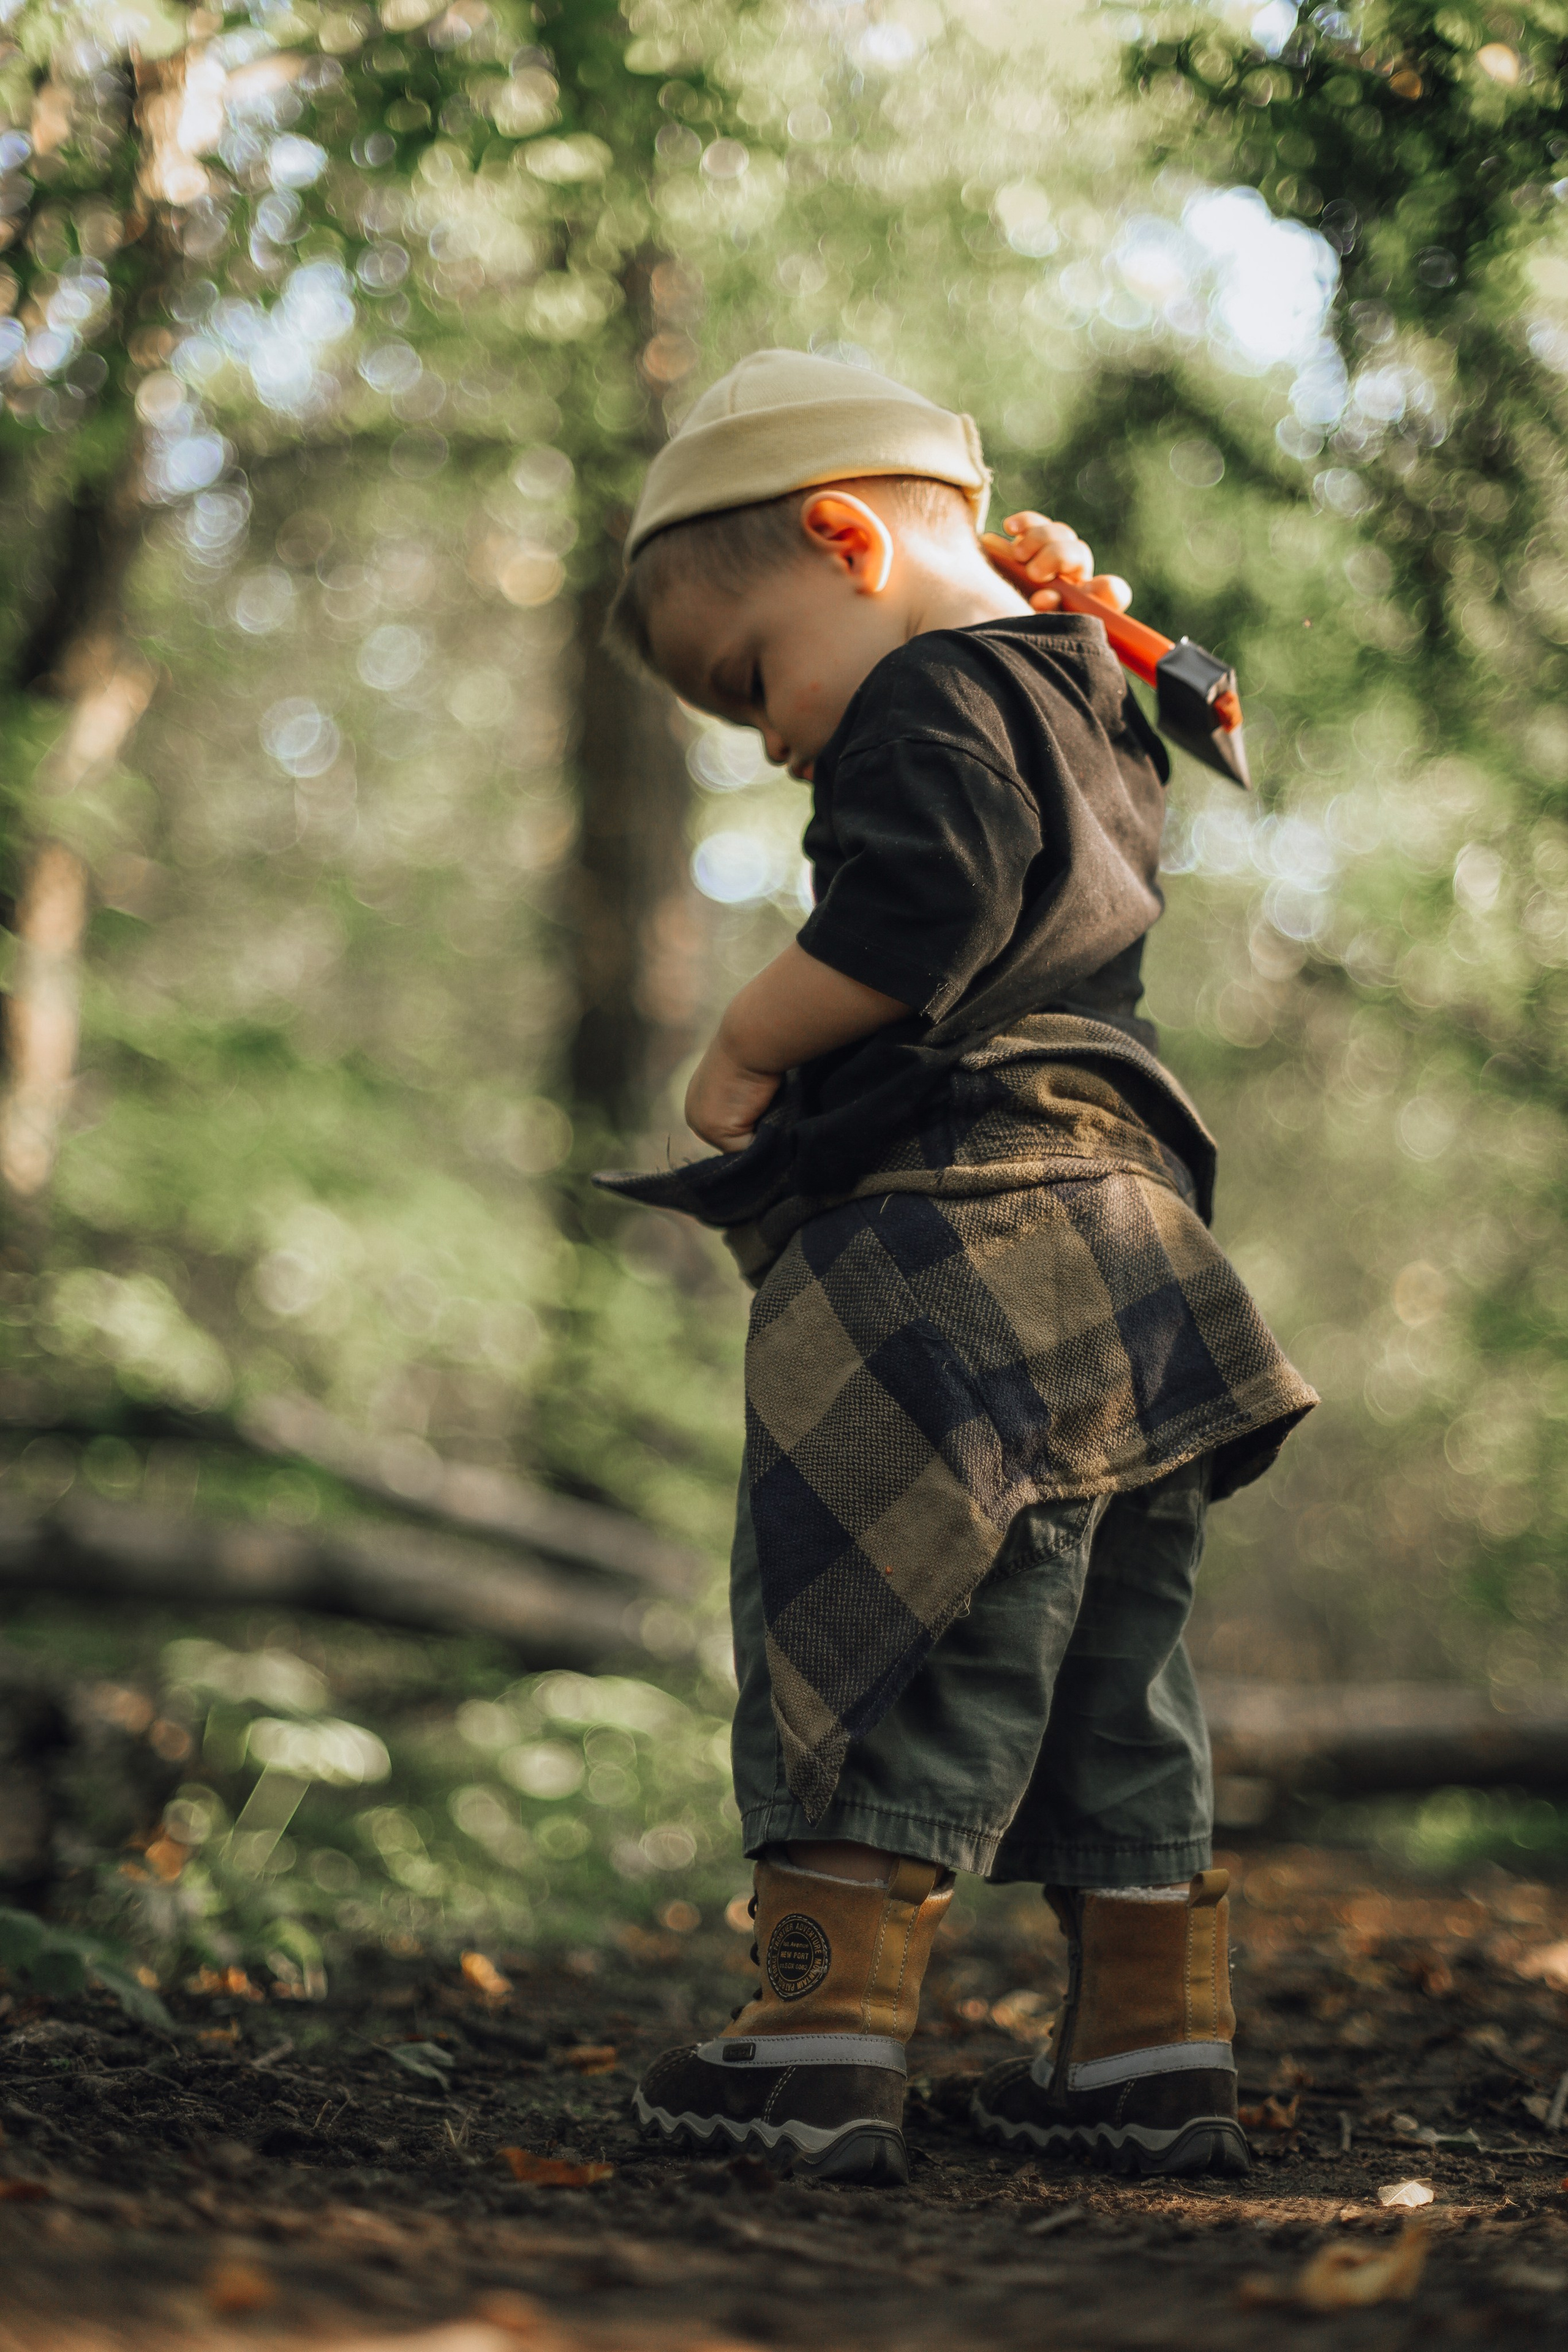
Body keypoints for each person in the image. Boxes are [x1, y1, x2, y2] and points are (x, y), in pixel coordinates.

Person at [597, 350, 1316, 2185]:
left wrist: (748, 1041)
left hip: (958, 1238)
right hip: (1133, 1249)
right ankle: (1149, 2052)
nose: (762, 739)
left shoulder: (926, 693)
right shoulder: (1077, 686)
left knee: (882, 1604)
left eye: (748, 679)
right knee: (1110, 1668)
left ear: (846, 539)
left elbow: (920, 917)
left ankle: (817, 2038)